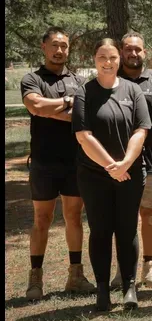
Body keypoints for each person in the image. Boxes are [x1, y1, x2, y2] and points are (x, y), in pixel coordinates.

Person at [72, 38, 151, 311]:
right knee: (101, 231)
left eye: (113, 57)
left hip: (130, 174)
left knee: (128, 229)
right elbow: (84, 136)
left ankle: (129, 288)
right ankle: (103, 290)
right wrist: (111, 167)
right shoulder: (84, 93)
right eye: (102, 57)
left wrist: (125, 164)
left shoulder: (133, 90)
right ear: (94, 59)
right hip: (94, 176)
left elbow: (141, 130)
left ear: (119, 60)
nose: (108, 62)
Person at [21, 26, 94, 300]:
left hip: (74, 161)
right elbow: (34, 107)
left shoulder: (78, 81)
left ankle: (75, 276)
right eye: (54, 45)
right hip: (43, 161)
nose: (59, 50)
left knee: (74, 218)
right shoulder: (32, 78)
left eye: (64, 45)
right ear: (44, 47)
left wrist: (48, 108)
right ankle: (35, 280)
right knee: (42, 219)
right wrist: (65, 104)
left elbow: (81, 114)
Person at [108, 31, 152, 291]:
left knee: (148, 215)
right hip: (119, 162)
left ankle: (148, 266)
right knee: (122, 217)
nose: (133, 53)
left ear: (145, 52)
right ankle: (123, 269)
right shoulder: (111, 79)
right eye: (128, 49)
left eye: (138, 49)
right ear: (122, 52)